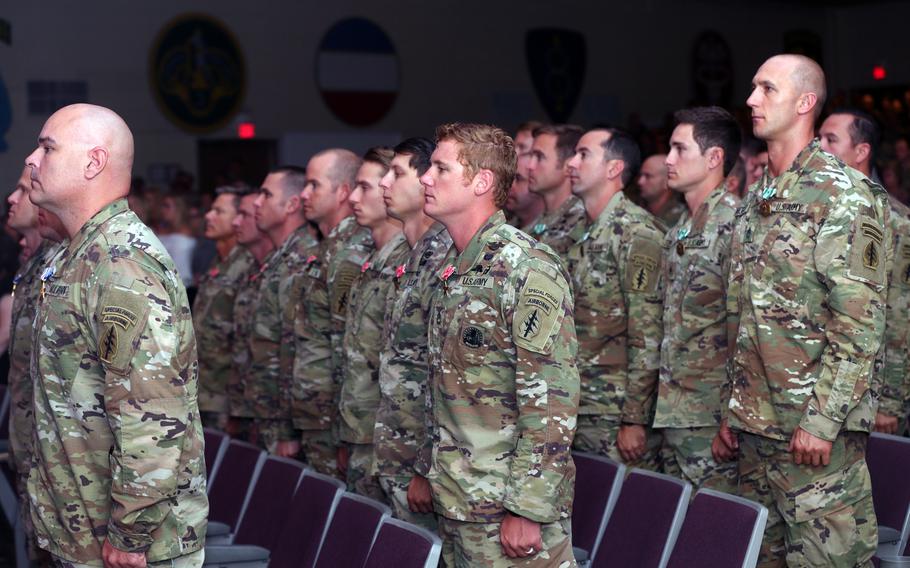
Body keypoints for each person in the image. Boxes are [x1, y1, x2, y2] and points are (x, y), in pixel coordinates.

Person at [716, 55, 886, 567]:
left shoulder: (843, 195)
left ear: (805, 103)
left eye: (767, 89)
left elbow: (860, 323)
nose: (751, 100)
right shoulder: (757, 199)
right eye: (752, 88)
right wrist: (734, 406)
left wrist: (823, 418)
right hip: (755, 429)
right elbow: (742, 316)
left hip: (811, 437)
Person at [25, 103, 207, 566]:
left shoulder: (121, 261)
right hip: (82, 528)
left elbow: (150, 409)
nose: (31, 160)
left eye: (47, 148)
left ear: (93, 162)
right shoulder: (78, 254)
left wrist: (131, 533)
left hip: (125, 546)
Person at [418, 123, 579, 566]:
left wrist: (526, 508)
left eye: (440, 168)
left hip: (503, 508)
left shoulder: (525, 268)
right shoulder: (455, 268)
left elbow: (551, 400)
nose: (425, 178)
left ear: (481, 182)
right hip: (458, 500)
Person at [652, 106, 741, 493]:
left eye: (679, 149)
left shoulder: (735, 225)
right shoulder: (679, 231)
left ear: (714, 158)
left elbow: (745, 326)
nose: (668, 160)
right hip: (676, 411)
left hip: (710, 415)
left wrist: (732, 417)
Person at [564, 128, 665, 470]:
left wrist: (634, 418)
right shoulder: (576, 233)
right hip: (578, 407)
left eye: (583, 155)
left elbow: (647, 331)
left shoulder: (638, 234)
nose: (571, 163)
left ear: (613, 169)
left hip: (614, 412)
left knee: (625, 516)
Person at [373, 137, 450, 530]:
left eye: (396, 173)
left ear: (426, 184)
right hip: (396, 449)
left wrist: (426, 466)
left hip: (420, 462)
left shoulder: (445, 260)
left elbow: (445, 374)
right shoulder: (411, 257)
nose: (384, 183)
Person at [820, 109, 910, 435]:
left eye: (831, 140)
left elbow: (899, 318)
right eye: (818, 138)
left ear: (861, 152)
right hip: (821, 388)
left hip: (870, 393)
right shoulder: (819, 210)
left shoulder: (894, 221)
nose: (819, 147)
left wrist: (890, 403)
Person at [338, 147, 410, 500]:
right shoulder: (369, 261)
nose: (353, 197)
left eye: (365, 187)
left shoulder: (411, 262)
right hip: (361, 431)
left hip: (391, 441)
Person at [295, 148, 371, 476]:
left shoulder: (351, 253)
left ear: (342, 192)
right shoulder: (328, 249)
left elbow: (346, 346)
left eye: (314, 185)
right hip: (317, 412)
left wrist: (344, 432)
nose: (303, 194)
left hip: (332, 418)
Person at [247, 166, 318, 456]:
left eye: (266, 194)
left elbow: (294, 347)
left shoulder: (301, 258)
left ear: (291, 205)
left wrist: (286, 429)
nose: (256, 202)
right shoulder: (281, 256)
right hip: (269, 414)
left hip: (286, 420)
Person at [192, 185, 255, 429]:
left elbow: (245, 339)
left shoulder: (247, 264)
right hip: (206, 392)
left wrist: (237, 404)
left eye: (219, 211)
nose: (209, 216)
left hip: (227, 398)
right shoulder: (219, 261)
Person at [226, 191, 275, 441]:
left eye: (244, 215)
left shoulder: (282, 268)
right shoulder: (251, 269)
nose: (236, 222)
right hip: (248, 405)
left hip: (274, 412)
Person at [526, 124, 587, 254]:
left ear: (568, 166)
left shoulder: (582, 222)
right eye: (531, 156)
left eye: (539, 157)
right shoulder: (535, 225)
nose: (530, 165)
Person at [157, 192, 198, 288]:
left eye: (167, 206)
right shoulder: (164, 230)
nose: (163, 210)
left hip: (179, 288)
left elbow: (182, 274)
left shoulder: (183, 238)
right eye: (163, 205)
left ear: (178, 209)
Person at [638, 154, 686, 227]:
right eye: (640, 175)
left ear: (667, 181)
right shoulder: (639, 208)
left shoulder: (679, 218)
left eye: (648, 176)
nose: (640, 181)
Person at [504, 152, 545, 232]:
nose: (510, 186)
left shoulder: (547, 230)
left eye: (519, 179)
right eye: (510, 178)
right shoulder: (508, 225)